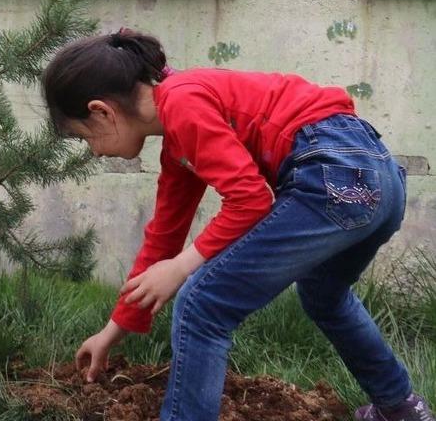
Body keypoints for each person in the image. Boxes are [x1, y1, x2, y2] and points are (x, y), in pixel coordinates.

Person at [41, 29, 432, 421]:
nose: (93, 151)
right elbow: (163, 238)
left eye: (84, 138)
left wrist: (181, 268)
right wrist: (113, 331)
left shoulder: (181, 102)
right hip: (380, 180)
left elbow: (251, 199)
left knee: (201, 302)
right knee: (324, 293)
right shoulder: (180, 137)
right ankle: (401, 409)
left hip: (332, 176)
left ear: (101, 111)